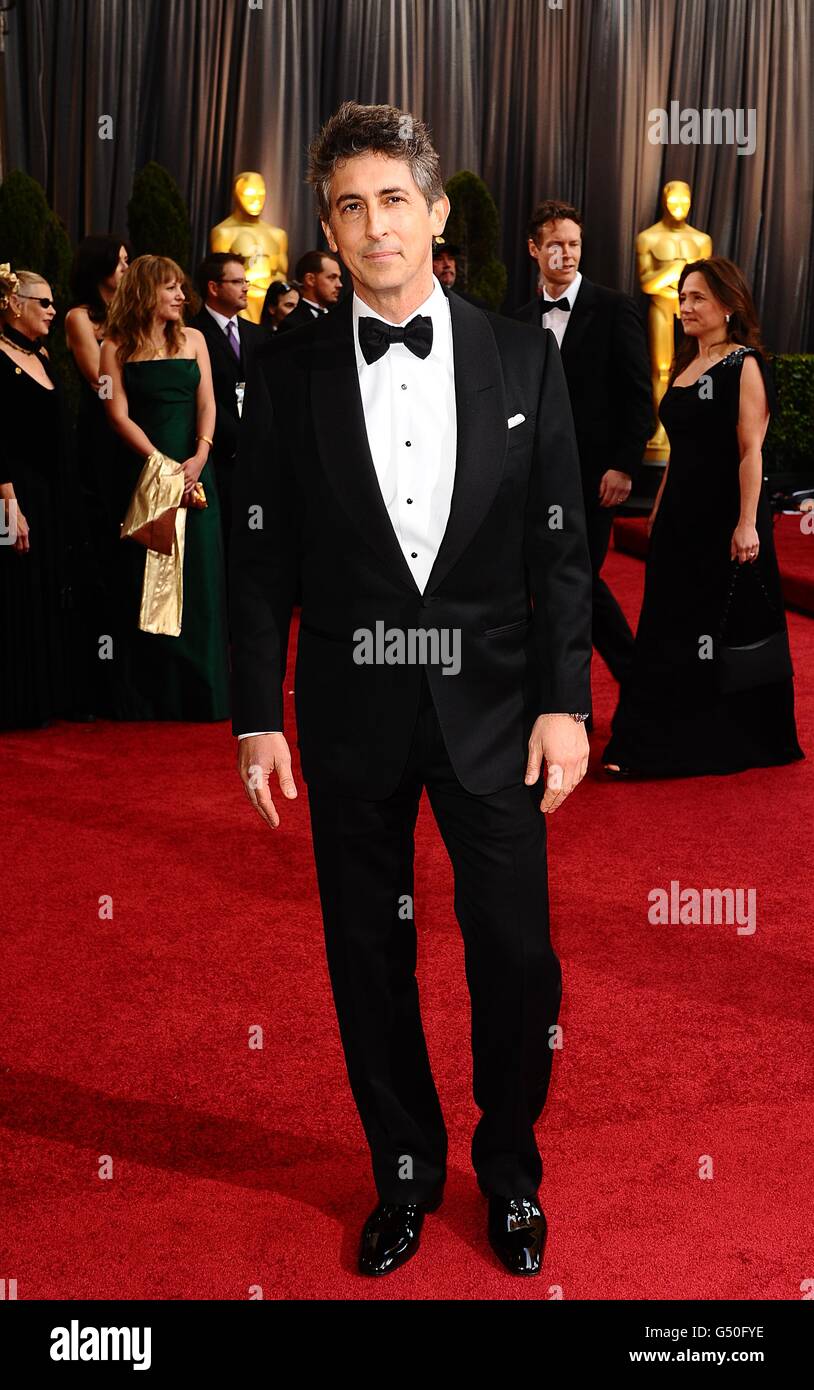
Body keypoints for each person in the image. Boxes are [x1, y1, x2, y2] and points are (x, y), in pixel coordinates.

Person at [230, 100, 593, 1278]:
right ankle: (402, 1173)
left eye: (394, 198)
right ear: (327, 231)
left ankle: (510, 1171)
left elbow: (560, 551)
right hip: (351, 715)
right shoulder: (281, 378)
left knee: (515, 952)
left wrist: (565, 703)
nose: (374, 224)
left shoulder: (521, 353)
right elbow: (257, 561)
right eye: (349, 205)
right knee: (366, 955)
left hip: (494, 711)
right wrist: (253, 715)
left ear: (435, 212)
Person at [602, 257, 804, 777]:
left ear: (729, 306)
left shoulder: (745, 364)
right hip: (679, 524)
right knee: (669, 628)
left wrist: (746, 523)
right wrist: (660, 509)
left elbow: (750, 451)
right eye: (683, 297)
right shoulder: (687, 365)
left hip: (725, 521)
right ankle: (657, 737)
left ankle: (724, 742)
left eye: (697, 299)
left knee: (722, 630)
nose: (684, 307)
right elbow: (681, 451)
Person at [514, 202, 653, 700]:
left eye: (573, 243)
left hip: (595, 479)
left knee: (578, 582)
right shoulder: (521, 319)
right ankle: (573, 697)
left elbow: (639, 398)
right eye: (555, 244)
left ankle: (629, 682)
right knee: (555, 586)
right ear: (535, 249)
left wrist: (623, 466)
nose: (566, 253)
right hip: (535, 482)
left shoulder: (614, 308)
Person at [99, 254, 230, 720]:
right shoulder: (113, 346)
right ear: (144, 292)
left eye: (181, 288)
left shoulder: (194, 338)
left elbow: (209, 402)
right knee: (144, 580)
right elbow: (115, 414)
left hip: (196, 474)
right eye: (170, 288)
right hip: (146, 473)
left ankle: (202, 693)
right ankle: (151, 694)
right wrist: (160, 464)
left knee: (200, 579)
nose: (181, 296)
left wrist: (199, 455)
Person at [0, 266, 84, 728]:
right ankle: (14, 700)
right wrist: (8, 506)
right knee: (14, 586)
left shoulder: (44, 356)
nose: (54, 310)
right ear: (15, 304)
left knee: (47, 587)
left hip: (51, 494)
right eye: (44, 302)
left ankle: (46, 695)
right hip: (10, 493)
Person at [65, 234, 131, 715]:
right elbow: (100, 379)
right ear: (100, 267)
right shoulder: (78, 318)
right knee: (103, 536)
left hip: (134, 428)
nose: (127, 267)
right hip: (99, 433)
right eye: (121, 261)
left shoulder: (127, 314)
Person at [188, 253, 267, 566]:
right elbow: (201, 398)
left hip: (254, 459)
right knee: (219, 546)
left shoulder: (257, 333)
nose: (246, 287)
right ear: (213, 287)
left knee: (254, 538)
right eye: (237, 281)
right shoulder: (192, 333)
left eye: (245, 281)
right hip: (215, 456)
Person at [276, 250, 342, 331]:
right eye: (332, 277)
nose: (339, 284)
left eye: (339, 278)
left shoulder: (339, 320)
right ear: (310, 279)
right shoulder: (292, 324)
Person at [431, 238, 489, 309]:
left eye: (450, 258)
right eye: (439, 259)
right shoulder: (422, 305)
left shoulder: (473, 305)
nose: (447, 264)